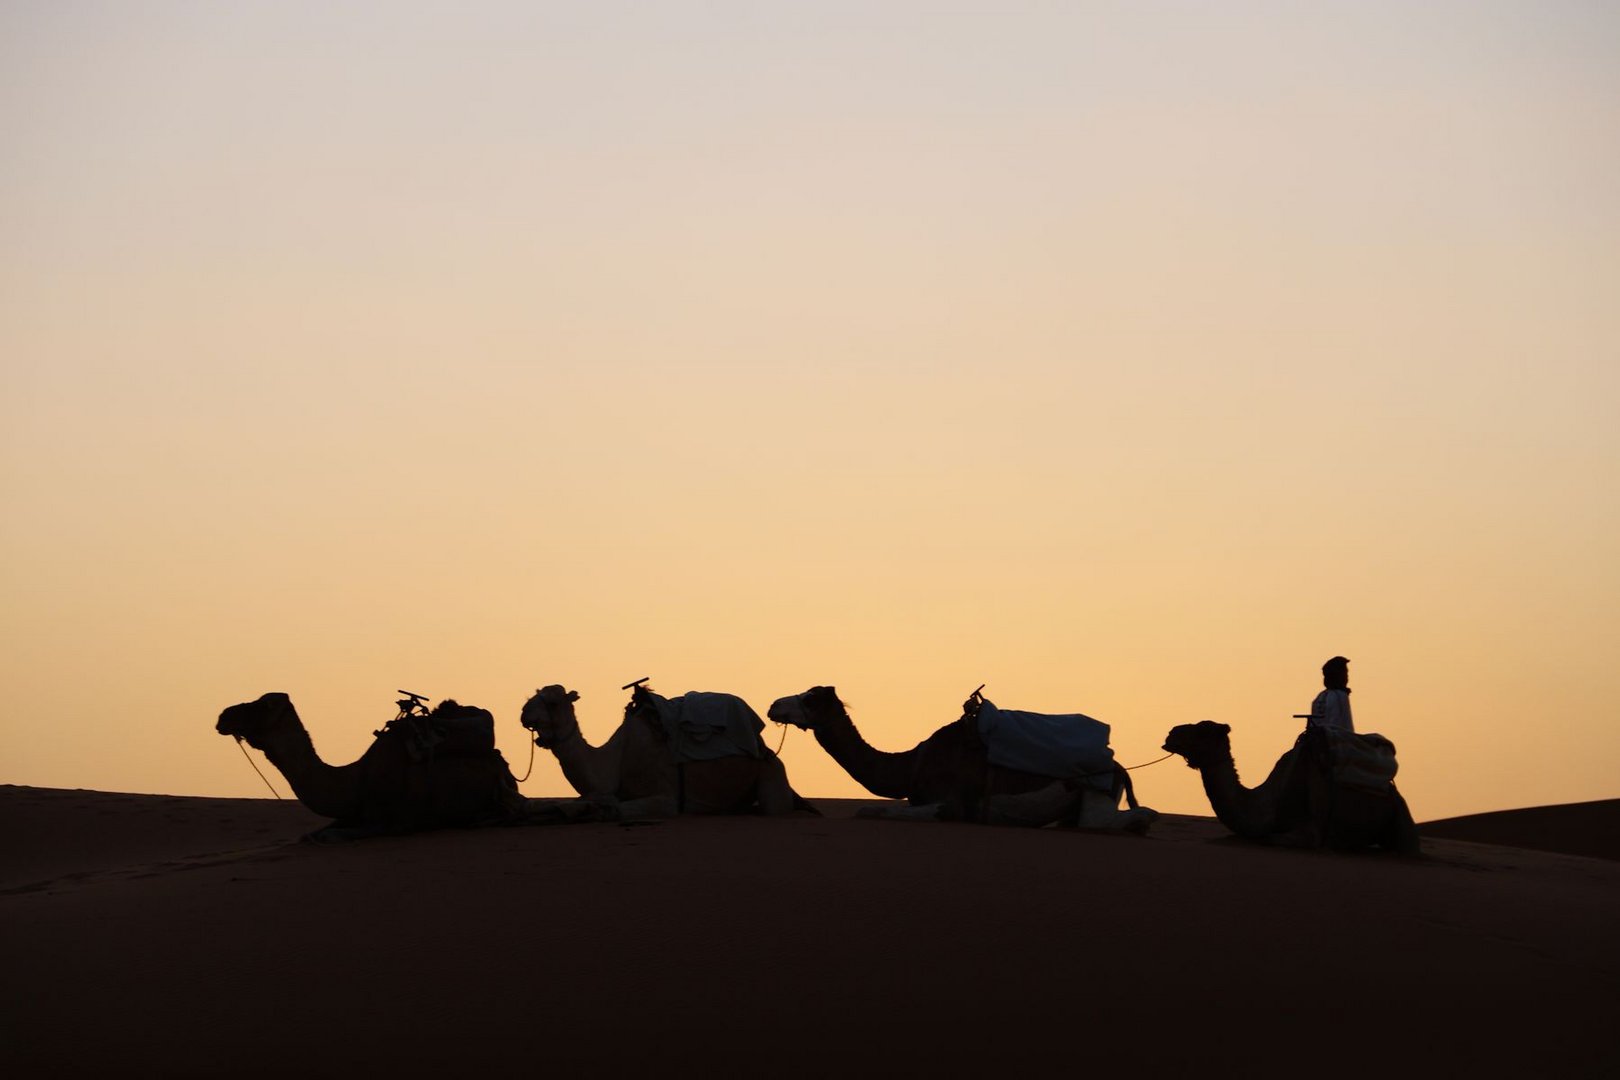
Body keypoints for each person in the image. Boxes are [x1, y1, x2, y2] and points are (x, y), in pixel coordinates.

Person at [1308, 656, 1354, 733]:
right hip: (1335, 741)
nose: (1347, 677)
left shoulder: (1319, 697)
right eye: (1345, 673)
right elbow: (1344, 728)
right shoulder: (1340, 696)